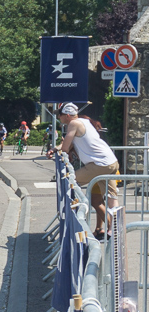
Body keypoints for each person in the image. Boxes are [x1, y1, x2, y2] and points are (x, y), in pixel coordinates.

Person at [55, 101, 119, 239]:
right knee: (101, 199)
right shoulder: (85, 121)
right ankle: (114, 228)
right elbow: (71, 143)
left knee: (69, 181)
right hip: (111, 161)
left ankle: (77, 224)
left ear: (67, 115)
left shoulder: (73, 124)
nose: (58, 118)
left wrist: (62, 150)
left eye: (59, 115)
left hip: (99, 164)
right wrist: (57, 148)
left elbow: (65, 147)